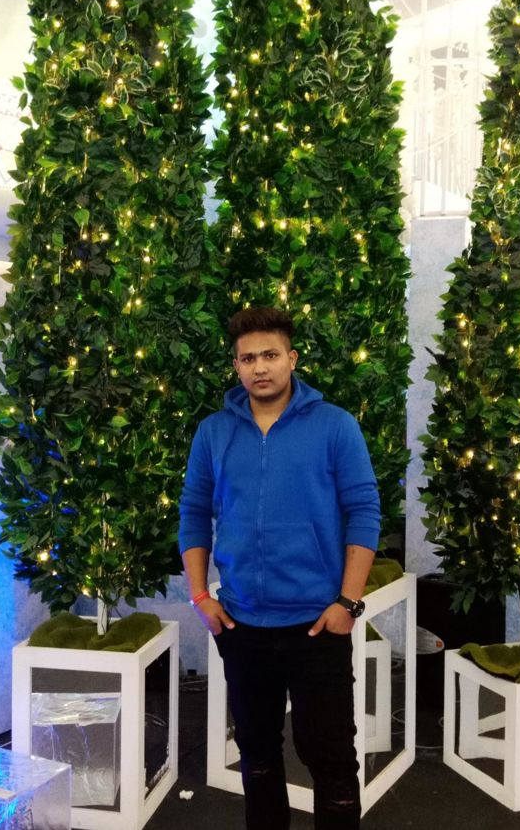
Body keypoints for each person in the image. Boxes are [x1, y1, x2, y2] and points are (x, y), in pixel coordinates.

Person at [178, 306, 380, 830]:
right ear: (236, 366)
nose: (260, 367)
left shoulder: (335, 426)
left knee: (330, 758)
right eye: (248, 359)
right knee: (258, 754)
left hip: (318, 625)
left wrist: (347, 602)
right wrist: (200, 597)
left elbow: (364, 510)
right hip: (242, 626)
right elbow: (194, 513)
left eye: (270, 355)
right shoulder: (213, 432)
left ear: (292, 358)